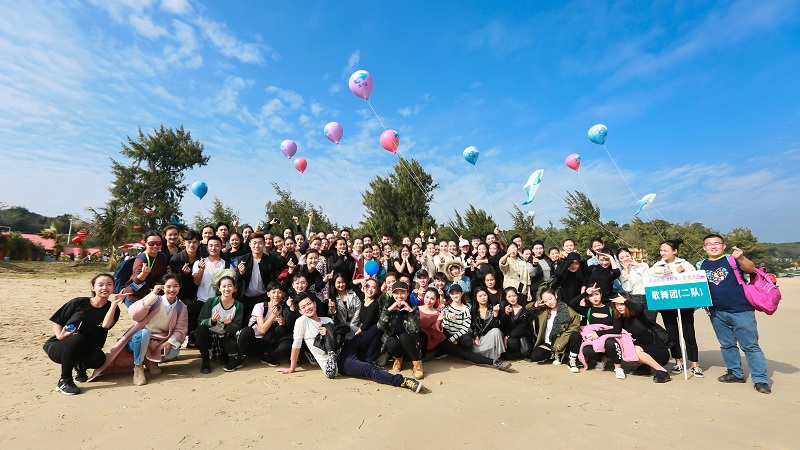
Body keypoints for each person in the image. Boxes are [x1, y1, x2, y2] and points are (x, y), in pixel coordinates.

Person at [277, 293, 425, 394]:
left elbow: (340, 338)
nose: (307, 308)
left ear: (314, 304)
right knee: (369, 370)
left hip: (348, 347)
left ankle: (368, 357)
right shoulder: (302, 321)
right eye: (303, 307)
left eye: (309, 304)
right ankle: (402, 381)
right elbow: (296, 345)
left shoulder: (327, 320)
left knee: (375, 329)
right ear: (300, 311)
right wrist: (292, 368)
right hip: (338, 360)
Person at [698, 234, 770, 394]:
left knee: (750, 346)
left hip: (741, 310)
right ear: (704, 248)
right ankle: (735, 373)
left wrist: (741, 257)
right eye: (709, 244)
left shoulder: (732, 259)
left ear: (723, 246)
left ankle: (760, 379)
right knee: (727, 344)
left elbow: (751, 269)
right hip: (716, 312)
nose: (713, 246)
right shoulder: (700, 264)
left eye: (717, 243)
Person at [90, 274, 188, 385]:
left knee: (174, 351)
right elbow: (135, 315)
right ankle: (138, 367)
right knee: (144, 333)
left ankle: (151, 361)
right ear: (162, 287)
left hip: (160, 341)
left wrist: (170, 342)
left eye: (175, 286)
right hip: (139, 339)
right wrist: (153, 294)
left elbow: (180, 329)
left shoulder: (181, 307)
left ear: (180, 287)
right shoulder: (154, 300)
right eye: (168, 286)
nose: (172, 290)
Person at [43, 274, 123, 395]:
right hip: (61, 346)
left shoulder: (113, 309)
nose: (104, 288)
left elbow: (106, 325)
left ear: (114, 287)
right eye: (100, 285)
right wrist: (59, 336)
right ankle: (64, 380)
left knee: (99, 359)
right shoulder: (79, 302)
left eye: (109, 284)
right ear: (93, 287)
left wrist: (114, 304)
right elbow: (57, 321)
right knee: (77, 338)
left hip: (86, 349)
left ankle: (80, 367)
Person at [583, 293, 672, 383]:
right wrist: (598, 333)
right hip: (644, 351)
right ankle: (645, 367)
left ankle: (662, 371)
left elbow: (639, 309)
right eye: (616, 305)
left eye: (622, 304)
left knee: (634, 349)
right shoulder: (620, 318)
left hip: (659, 352)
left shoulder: (638, 316)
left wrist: (625, 300)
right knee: (628, 347)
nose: (619, 307)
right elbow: (616, 330)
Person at [418, 288, 511, 370]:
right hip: (421, 343)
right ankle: (424, 355)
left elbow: (437, 332)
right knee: (421, 334)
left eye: (432, 298)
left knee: (462, 353)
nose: (428, 300)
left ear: (436, 300)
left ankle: (494, 362)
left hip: (437, 341)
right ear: (423, 297)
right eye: (427, 297)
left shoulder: (439, 314)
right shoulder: (416, 310)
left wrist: (439, 321)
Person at [648, 238, 703, 377]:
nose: (662, 253)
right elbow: (649, 275)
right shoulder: (658, 265)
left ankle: (694, 364)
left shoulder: (683, 263)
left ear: (675, 251)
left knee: (688, 331)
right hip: (667, 304)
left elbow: (695, 275)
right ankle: (678, 361)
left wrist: (683, 272)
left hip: (684, 303)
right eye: (661, 250)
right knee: (672, 333)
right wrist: (662, 272)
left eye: (665, 250)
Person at [235, 282, 290, 368]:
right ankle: (239, 358)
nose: (276, 295)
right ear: (268, 294)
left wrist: (282, 323)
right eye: (273, 292)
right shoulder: (260, 306)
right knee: (247, 330)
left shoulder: (281, 309)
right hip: (251, 342)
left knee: (281, 329)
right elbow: (262, 330)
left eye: (279, 292)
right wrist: (273, 315)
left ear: (283, 294)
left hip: (264, 343)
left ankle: (266, 355)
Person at [196, 276, 243, 373]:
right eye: (224, 286)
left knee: (232, 346)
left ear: (234, 288)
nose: (227, 289)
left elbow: (237, 327)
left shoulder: (238, 305)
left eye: (230, 286)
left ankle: (225, 355)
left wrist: (228, 325)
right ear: (219, 289)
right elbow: (200, 321)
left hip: (226, 335)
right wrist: (212, 320)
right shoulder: (211, 301)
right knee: (201, 330)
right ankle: (205, 361)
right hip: (210, 334)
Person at [377, 281, 424, 379]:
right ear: (392, 294)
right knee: (391, 342)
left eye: (402, 292)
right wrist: (388, 311)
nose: (399, 296)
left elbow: (415, 330)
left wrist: (410, 312)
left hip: (410, 342)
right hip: (395, 340)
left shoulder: (413, 307)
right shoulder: (388, 306)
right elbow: (380, 327)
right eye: (396, 293)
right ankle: (398, 358)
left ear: (407, 293)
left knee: (404, 337)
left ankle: (417, 364)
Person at [566, 283, 614, 373]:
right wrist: (585, 293)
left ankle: (610, 361)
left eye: (597, 294)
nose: (595, 297)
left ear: (601, 294)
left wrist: (599, 334)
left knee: (610, 343)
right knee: (586, 349)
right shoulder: (588, 310)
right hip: (593, 339)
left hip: (608, 338)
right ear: (588, 298)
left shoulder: (610, 308)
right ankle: (601, 359)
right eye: (591, 295)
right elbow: (572, 303)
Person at [526, 289, 580, 363]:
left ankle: (565, 355)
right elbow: (527, 308)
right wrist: (535, 305)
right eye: (545, 301)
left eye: (550, 298)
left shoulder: (568, 311)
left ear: (556, 296)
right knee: (536, 356)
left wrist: (559, 344)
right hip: (549, 342)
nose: (549, 302)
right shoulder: (543, 310)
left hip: (563, 342)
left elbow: (574, 328)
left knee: (576, 335)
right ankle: (554, 354)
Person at [122, 231, 169, 306]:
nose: (155, 246)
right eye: (151, 243)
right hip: (135, 295)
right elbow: (136, 281)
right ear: (145, 244)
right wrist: (144, 273)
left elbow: (163, 275)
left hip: (152, 294)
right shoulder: (141, 259)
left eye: (158, 243)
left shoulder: (162, 257)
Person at [616, 247, 655, 321]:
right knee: (638, 323)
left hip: (649, 297)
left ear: (631, 256)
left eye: (627, 256)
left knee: (651, 322)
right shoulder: (622, 273)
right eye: (622, 258)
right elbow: (628, 289)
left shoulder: (643, 265)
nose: (625, 259)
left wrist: (637, 265)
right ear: (619, 260)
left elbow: (648, 278)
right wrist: (626, 273)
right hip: (634, 299)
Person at [470, 287, 505, 360]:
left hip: (491, 337)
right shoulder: (473, 310)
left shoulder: (493, 308)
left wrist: (495, 313)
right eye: (480, 296)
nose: (483, 298)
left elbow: (496, 326)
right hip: (481, 338)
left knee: (496, 331)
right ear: (476, 298)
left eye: (485, 295)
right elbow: (474, 326)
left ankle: (496, 357)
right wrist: (476, 336)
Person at [499, 287, 533, 360]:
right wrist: (506, 315)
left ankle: (521, 354)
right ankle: (516, 354)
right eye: (509, 297)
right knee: (511, 343)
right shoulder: (506, 309)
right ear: (506, 298)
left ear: (517, 296)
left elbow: (524, 327)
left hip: (521, 336)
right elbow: (503, 326)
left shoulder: (525, 310)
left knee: (511, 341)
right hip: (511, 338)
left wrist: (508, 336)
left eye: (513, 296)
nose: (512, 298)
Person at [441, 284, 472, 351]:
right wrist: (449, 315)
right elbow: (444, 314)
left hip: (459, 334)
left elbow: (465, 328)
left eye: (457, 293)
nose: (455, 296)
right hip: (446, 332)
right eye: (452, 294)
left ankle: (455, 346)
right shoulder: (446, 306)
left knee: (468, 342)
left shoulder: (466, 309)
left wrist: (452, 339)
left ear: (462, 293)